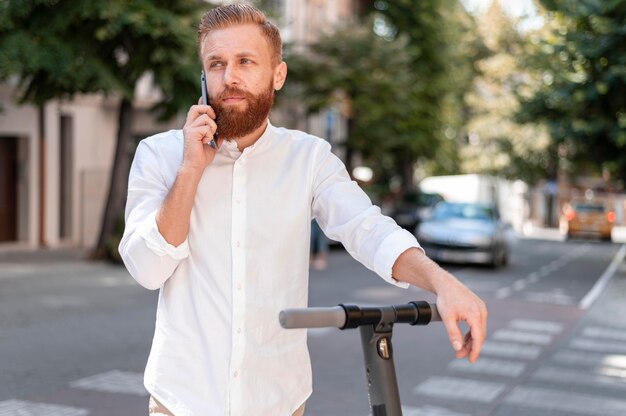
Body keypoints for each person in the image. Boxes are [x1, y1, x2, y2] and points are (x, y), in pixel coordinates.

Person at [119, 4, 487, 416]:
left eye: (246, 61)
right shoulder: (159, 154)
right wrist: (190, 170)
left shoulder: (309, 158)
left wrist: (443, 284)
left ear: (278, 74)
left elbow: (367, 229)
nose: (230, 77)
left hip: (279, 401)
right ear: (203, 78)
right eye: (216, 64)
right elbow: (147, 269)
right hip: (182, 401)